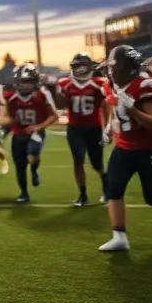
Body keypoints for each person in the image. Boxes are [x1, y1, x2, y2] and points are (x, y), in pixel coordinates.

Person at [98, 45, 152, 252]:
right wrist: (110, 126)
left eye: (114, 66)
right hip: (124, 147)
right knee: (113, 188)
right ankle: (119, 237)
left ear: (125, 66)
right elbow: (112, 106)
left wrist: (134, 111)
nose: (110, 71)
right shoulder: (110, 85)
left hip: (150, 149)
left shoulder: (146, 86)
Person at [54, 53, 108, 207]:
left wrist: (107, 126)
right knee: (78, 159)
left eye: (82, 65)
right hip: (75, 128)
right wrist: (57, 92)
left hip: (94, 128)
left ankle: (105, 182)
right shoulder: (65, 83)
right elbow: (60, 105)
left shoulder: (98, 83)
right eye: (76, 65)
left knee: (97, 163)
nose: (79, 68)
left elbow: (105, 106)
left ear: (89, 66)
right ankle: (82, 194)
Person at [2, 64, 58, 203]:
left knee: (32, 157)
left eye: (29, 82)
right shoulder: (10, 96)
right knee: (20, 166)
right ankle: (24, 192)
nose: (26, 85)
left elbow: (54, 116)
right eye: (23, 82)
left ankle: (33, 170)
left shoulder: (42, 94)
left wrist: (39, 126)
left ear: (35, 81)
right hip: (18, 133)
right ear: (17, 82)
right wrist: (9, 120)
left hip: (35, 133)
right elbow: (2, 117)